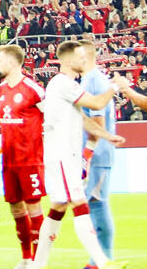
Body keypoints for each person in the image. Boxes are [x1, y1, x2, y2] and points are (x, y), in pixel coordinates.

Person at [31, 41, 120, 269]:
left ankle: (37, 264)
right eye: (80, 57)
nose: (84, 60)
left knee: (58, 208)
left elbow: (83, 118)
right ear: (69, 60)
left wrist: (107, 136)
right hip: (62, 154)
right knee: (79, 203)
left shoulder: (66, 85)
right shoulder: (62, 83)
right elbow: (97, 103)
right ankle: (102, 262)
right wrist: (115, 86)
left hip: (63, 154)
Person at [0, 43, 46, 269]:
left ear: (11, 61)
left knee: (34, 208)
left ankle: (38, 259)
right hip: (9, 160)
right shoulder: (0, 89)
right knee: (15, 208)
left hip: (30, 159)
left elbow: (52, 116)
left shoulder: (33, 89)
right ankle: (26, 257)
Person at [79, 38, 118, 268]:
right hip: (96, 153)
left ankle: (102, 260)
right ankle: (99, 259)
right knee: (93, 204)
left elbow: (97, 123)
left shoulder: (94, 81)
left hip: (96, 154)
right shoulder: (91, 79)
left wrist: (86, 155)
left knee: (97, 203)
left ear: (84, 57)